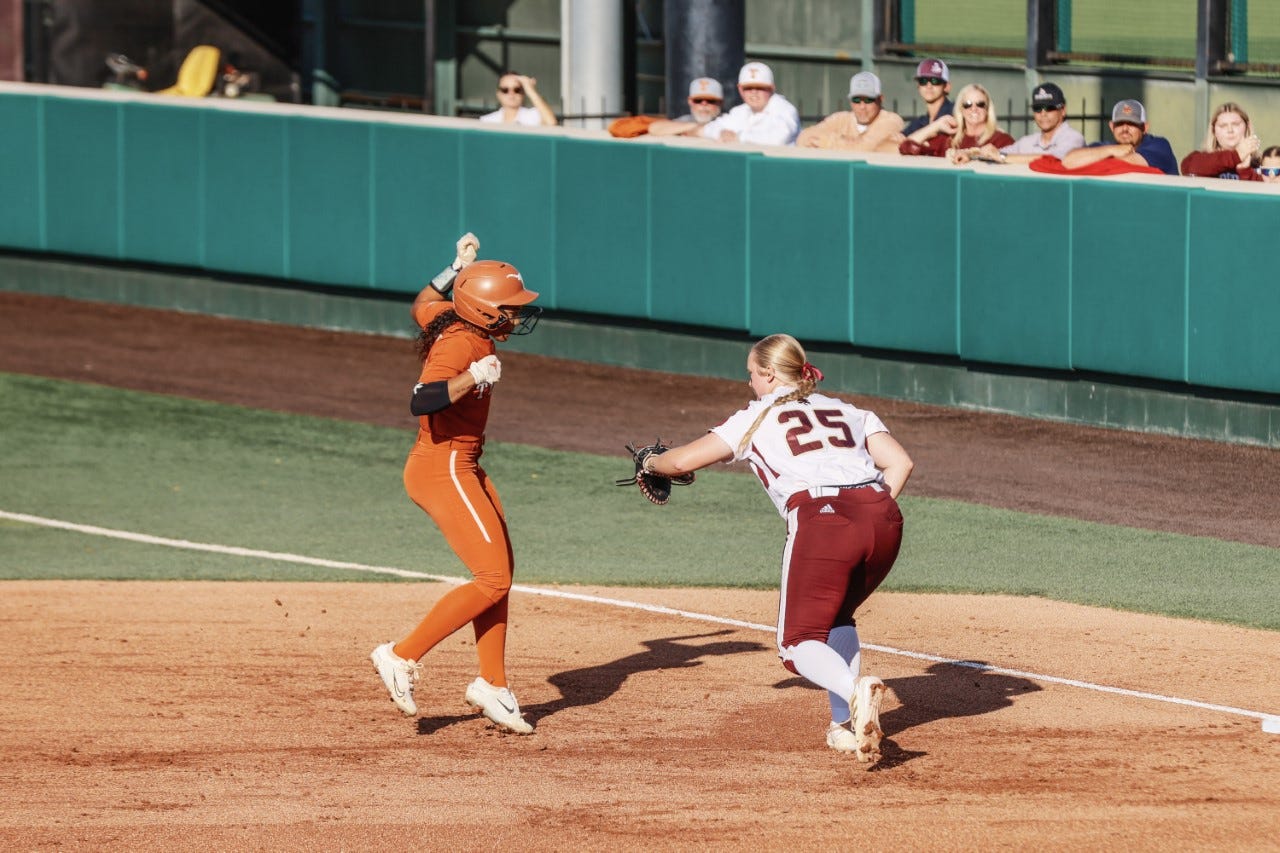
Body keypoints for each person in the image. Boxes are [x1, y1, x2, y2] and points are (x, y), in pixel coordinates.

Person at [637, 334, 913, 763]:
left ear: (768, 374)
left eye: (752, 374)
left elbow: (680, 462)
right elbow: (901, 463)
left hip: (823, 520)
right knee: (836, 615)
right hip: (883, 518)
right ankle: (845, 724)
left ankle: (854, 691)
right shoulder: (848, 410)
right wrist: (870, 509)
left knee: (796, 642)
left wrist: (648, 462)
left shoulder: (757, 415)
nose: (750, 383)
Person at [370, 232, 543, 735]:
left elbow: (424, 303)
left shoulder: (451, 316)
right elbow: (421, 399)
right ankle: (399, 655)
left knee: (499, 573)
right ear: (485, 311)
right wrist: (473, 376)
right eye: (510, 308)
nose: (517, 316)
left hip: (461, 464)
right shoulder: (464, 341)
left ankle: (492, 683)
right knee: (493, 579)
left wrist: (454, 266)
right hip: (442, 466)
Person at [967, 82, 1084, 165]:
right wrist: (969, 153)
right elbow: (997, 154)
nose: (1043, 113)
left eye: (1049, 107)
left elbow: (1053, 160)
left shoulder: (1074, 138)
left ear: (1062, 110)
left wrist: (1002, 157)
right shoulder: (1027, 142)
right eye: (1037, 108)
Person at [1060, 99, 1178, 176]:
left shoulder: (1159, 146)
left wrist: (1093, 158)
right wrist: (1110, 150)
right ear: (1112, 126)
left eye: (1132, 124)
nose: (1125, 129)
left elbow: (1127, 164)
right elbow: (1068, 161)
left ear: (1145, 128)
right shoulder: (1104, 147)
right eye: (1120, 124)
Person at [899, 83, 1014, 161]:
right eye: (967, 104)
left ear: (988, 109)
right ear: (961, 110)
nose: (974, 109)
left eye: (980, 104)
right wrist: (935, 126)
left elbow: (1012, 163)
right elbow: (906, 147)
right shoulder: (949, 140)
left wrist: (972, 155)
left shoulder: (1002, 140)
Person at [796, 71, 904, 153]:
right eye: (856, 100)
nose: (862, 106)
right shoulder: (840, 119)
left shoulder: (891, 120)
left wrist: (828, 142)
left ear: (880, 99)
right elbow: (803, 138)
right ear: (850, 101)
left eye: (868, 100)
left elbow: (863, 148)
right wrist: (846, 142)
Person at [699, 61, 800, 146]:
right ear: (740, 90)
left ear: (772, 89)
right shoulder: (740, 111)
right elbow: (710, 128)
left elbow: (779, 138)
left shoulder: (784, 108)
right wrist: (721, 133)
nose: (754, 92)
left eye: (760, 88)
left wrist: (738, 137)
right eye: (748, 88)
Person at [1180, 102, 1262, 181]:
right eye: (1223, 126)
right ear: (1213, 131)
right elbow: (1189, 167)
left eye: (1236, 124)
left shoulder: (1262, 163)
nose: (1230, 130)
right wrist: (1236, 156)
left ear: (1247, 126)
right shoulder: (1199, 160)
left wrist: (1245, 170)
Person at [646, 77, 725, 137]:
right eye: (698, 100)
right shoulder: (687, 120)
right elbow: (654, 128)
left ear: (720, 103)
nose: (703, 104)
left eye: (710, 101)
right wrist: (695, 126)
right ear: (690, 101)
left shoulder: (728, 120)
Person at [479, 72, 557, 127]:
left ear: (523, 92)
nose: (511, 93)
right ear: (498, 94)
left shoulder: (533, 115)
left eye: (517, 90)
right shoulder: (487, 121)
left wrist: (530, 89)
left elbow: (551, 123)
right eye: (505, 90)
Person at [902, 58, 954, 136]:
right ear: (918, 86)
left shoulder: (956, 113)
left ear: (947, 87)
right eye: (923, 81)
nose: (929, 86)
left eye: (935, 81)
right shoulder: (919, 123)